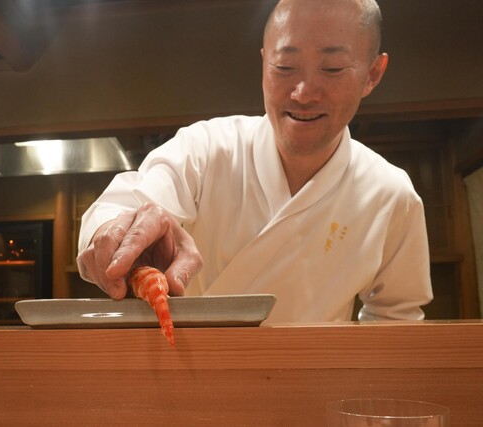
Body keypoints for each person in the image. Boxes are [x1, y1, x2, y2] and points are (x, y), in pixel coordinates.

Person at [76, 0, 433, 323]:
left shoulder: (390, 193)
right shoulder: (207, 148)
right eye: (285, 66)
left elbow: (396, 319)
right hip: (187, 366)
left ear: (372, 74)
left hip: (316, 374)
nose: (304, 93)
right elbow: (122, 206)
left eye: (333, 68)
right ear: (264, 63)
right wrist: (119, 234)